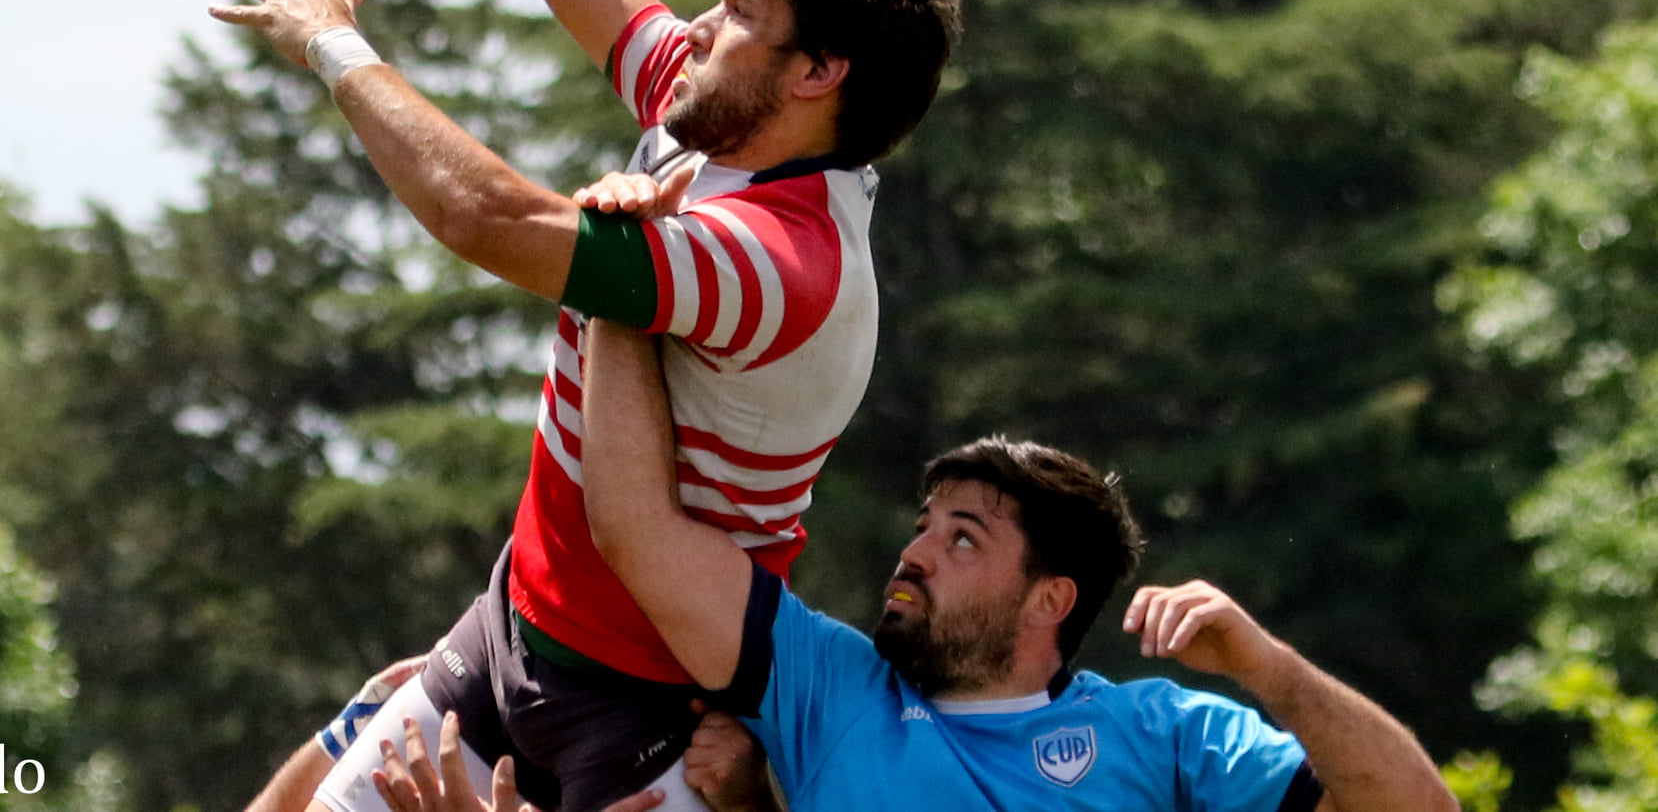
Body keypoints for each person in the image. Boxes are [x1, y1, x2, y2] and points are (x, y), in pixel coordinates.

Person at [209, 0, 961, 812]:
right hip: (512, 634)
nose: (695, 28)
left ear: (816, 75)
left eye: (734, 12)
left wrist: (334, 41)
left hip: (649, 717)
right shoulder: (711, 112)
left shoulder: (786, 260)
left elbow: (480, 215)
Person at [564, 317, 1461, 812]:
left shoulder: (1161, 734)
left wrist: (1266, 667)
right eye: (924, 525)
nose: (913, 553)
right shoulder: (827, 685)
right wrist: (619, 287)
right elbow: (637, 528)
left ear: (1049, 599)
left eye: (963, 538)